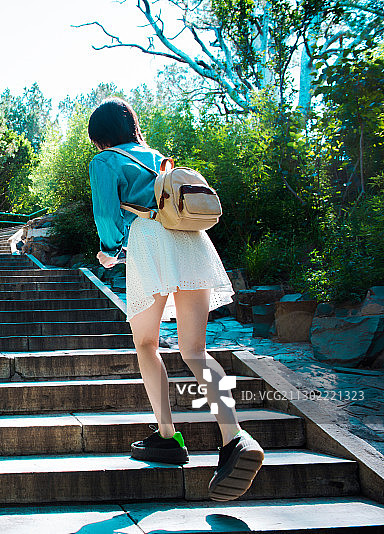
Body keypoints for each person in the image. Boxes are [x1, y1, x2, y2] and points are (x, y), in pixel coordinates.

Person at [87, 98, 264, 502]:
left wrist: (109, 250)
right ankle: (234, 437)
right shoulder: (159, 158)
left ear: (100, 135)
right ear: (132, 124)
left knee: (146, 344)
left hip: (150, 242)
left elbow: (108, 219)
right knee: (195, 351)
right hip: (194, 244)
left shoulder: (105, 162)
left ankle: (168, 437)